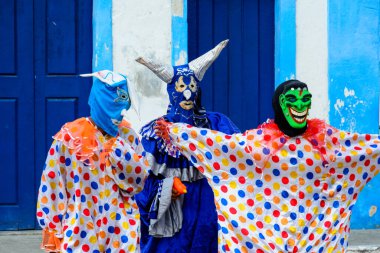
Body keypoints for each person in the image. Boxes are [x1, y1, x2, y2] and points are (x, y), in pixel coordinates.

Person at [155, 79, 380, 253]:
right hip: (267, 237)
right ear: (279, 104)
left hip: (317, 236)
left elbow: (360, 148)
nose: (300, 105)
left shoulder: (327, 141)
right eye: (292, 99)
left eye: (305, 99)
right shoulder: (259, 143)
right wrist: (177, 133)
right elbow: (224, 146)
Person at [134, 40, 241, 253]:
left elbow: (240, 154)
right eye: (181, 86)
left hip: (207, 210)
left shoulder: (216, 125)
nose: (187, 93)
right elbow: (140, 181)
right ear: (172, 90)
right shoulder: (155, 134)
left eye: (192, 86)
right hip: (173, 214)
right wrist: (163, 190)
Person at [36, 70, 148, 253]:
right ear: (99, 100)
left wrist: (120, 152)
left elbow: (138, 183)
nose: (122, 112)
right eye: (115, 104)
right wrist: (53, 228)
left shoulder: (128, 137)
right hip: (81, 230)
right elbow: (52, 185)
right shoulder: (70, 139)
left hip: (121, 231)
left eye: (125, 104)